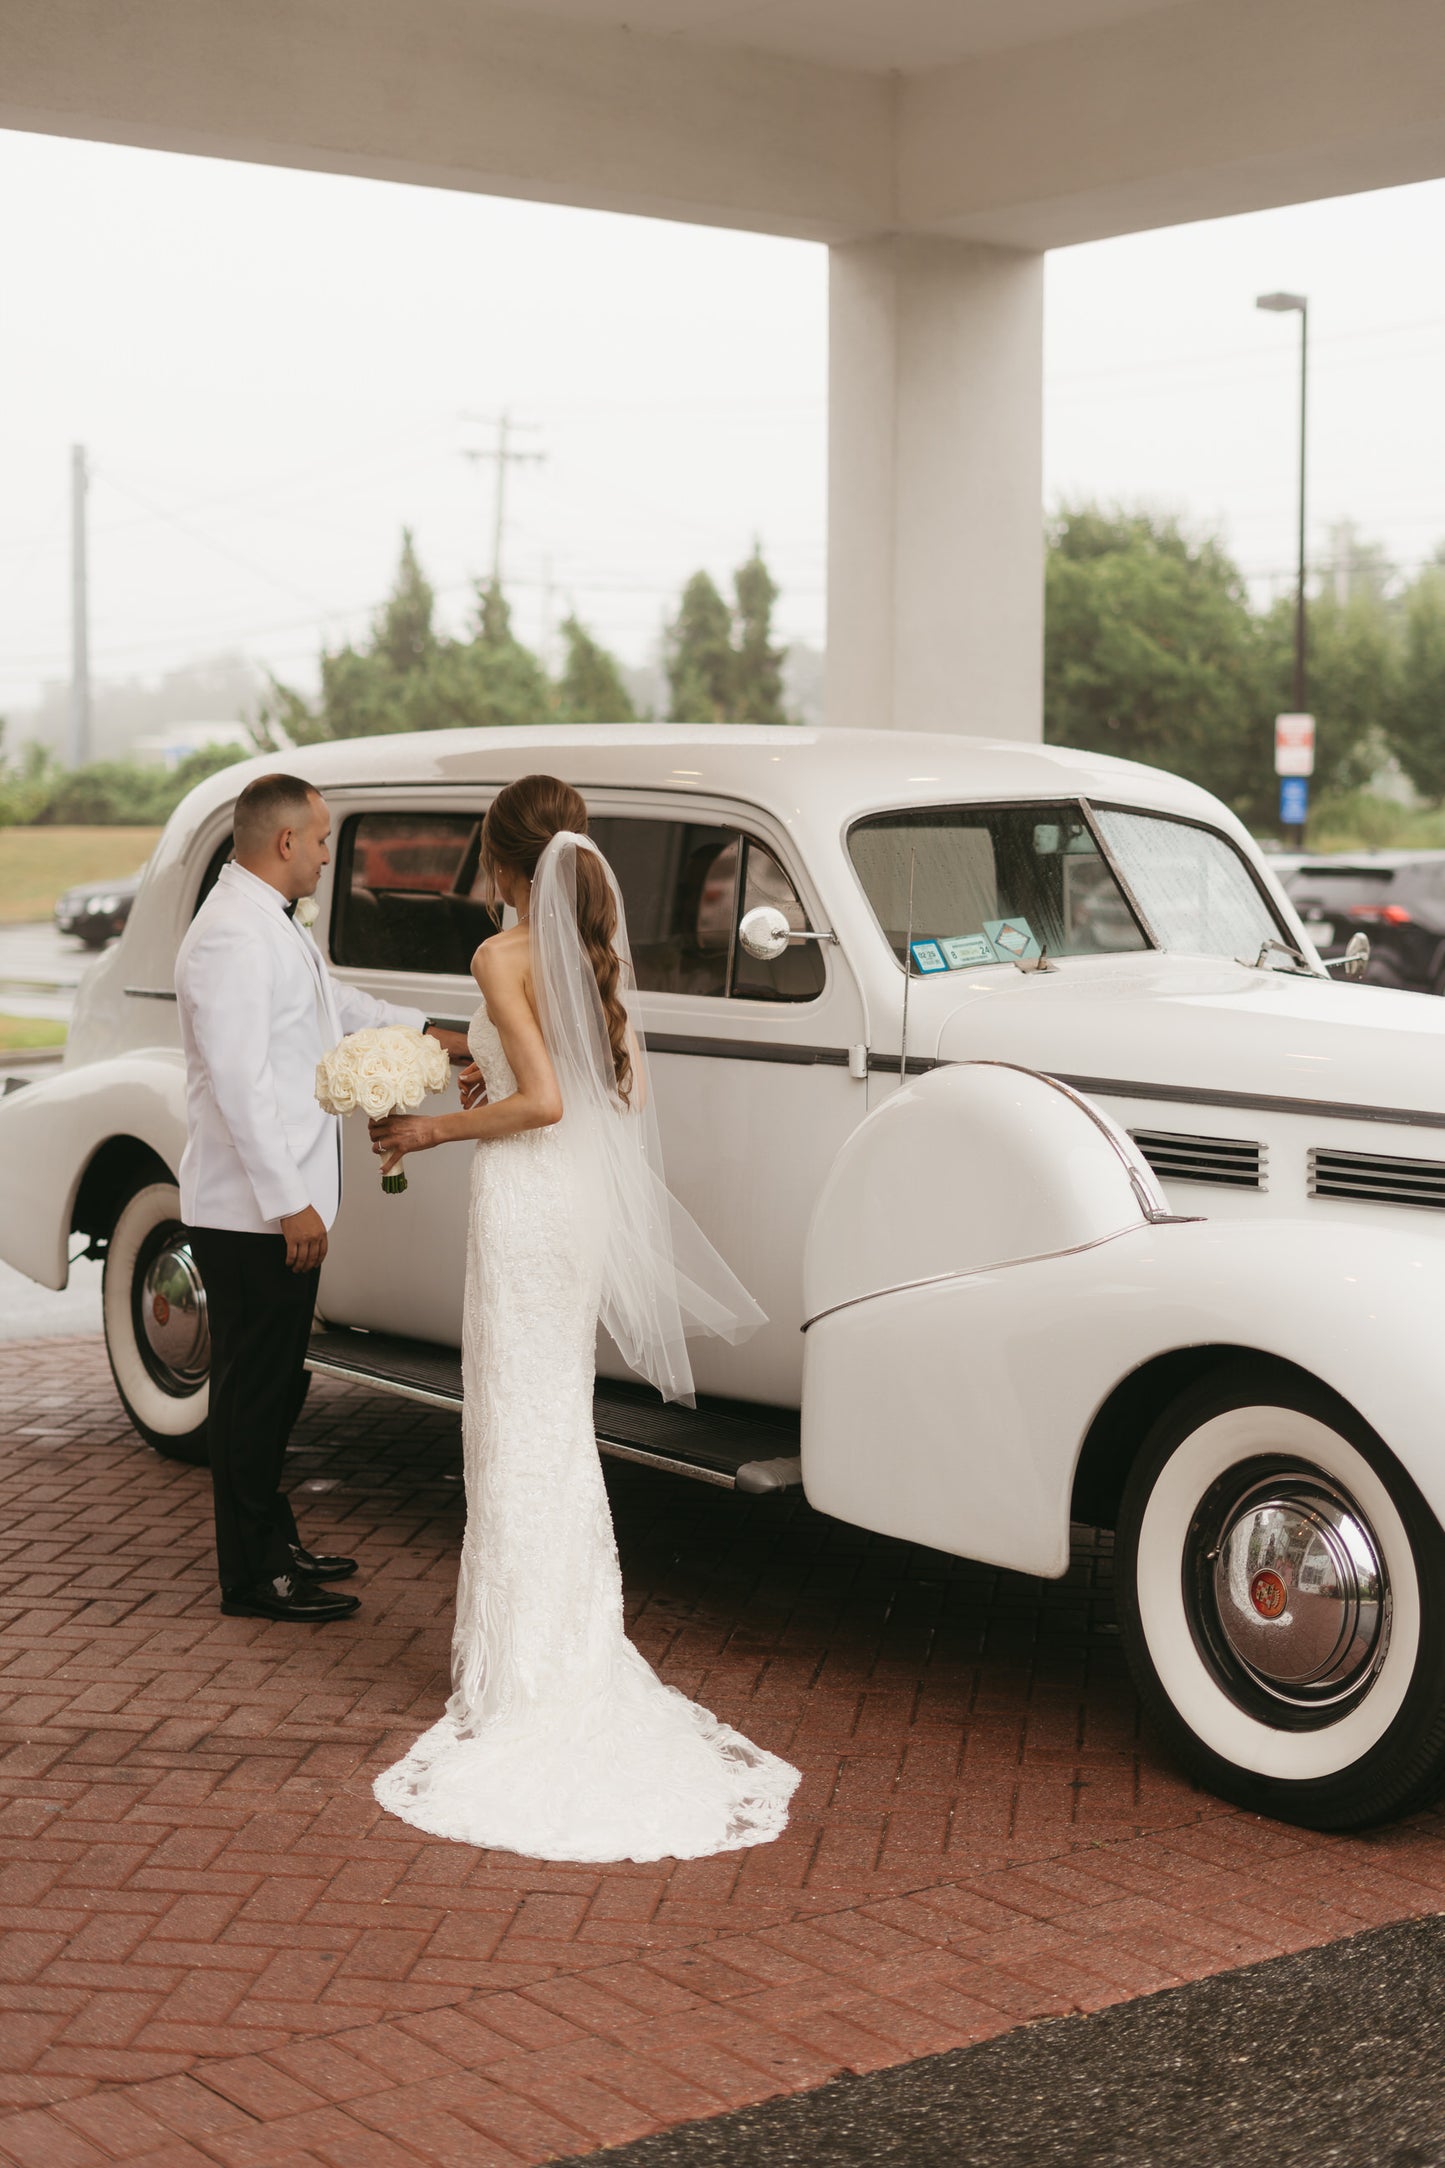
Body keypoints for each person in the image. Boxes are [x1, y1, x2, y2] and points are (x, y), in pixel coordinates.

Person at [367, 774, 800, 1862]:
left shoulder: (496, 955)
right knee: (550, 1417)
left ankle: (519, 1675)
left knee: (514, 1422)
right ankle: (564, 1647)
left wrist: (427, 1131)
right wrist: (489, 1076)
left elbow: (544, 1101)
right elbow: (618, 1095)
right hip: (578, 1211)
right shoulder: (595, 953)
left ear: (503, 859)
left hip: (524, 1201)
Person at [174, 772, 468, 1623]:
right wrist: (288, 1201)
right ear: (285, 842)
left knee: (274, 1384)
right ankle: (253, 1576)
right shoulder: (232, 934)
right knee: (251, 1390)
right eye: (324, 837)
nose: (330, 853)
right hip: (252, 1211)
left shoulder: (268, 922)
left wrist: (434, 1037)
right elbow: (238, 1086)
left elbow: (333, 1006)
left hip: (275, 1206)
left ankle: (276, 1541)